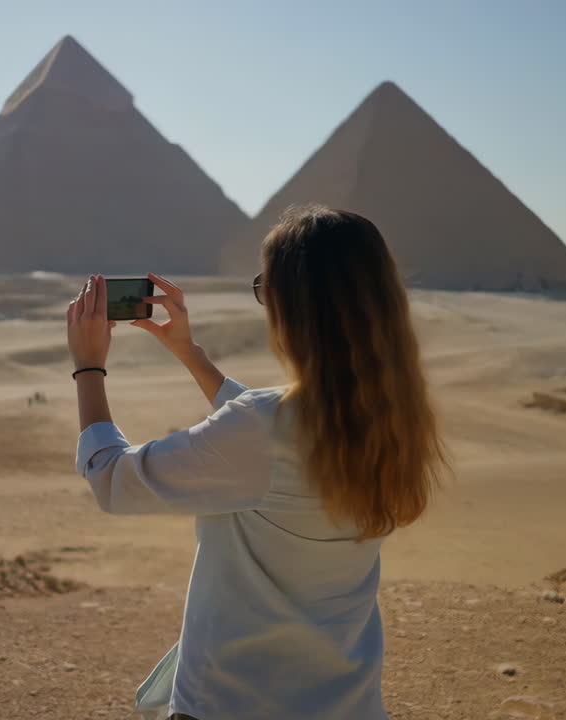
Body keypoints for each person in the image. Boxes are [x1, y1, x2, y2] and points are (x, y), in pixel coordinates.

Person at [67, 205, 445, 720]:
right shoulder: (391, 421)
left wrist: (88, 366)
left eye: (267, 288)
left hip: (234, 703)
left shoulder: (263, 429)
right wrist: (190, 354)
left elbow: (113, 480)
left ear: (295, 306)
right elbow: (277, 441)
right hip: (348, 704)